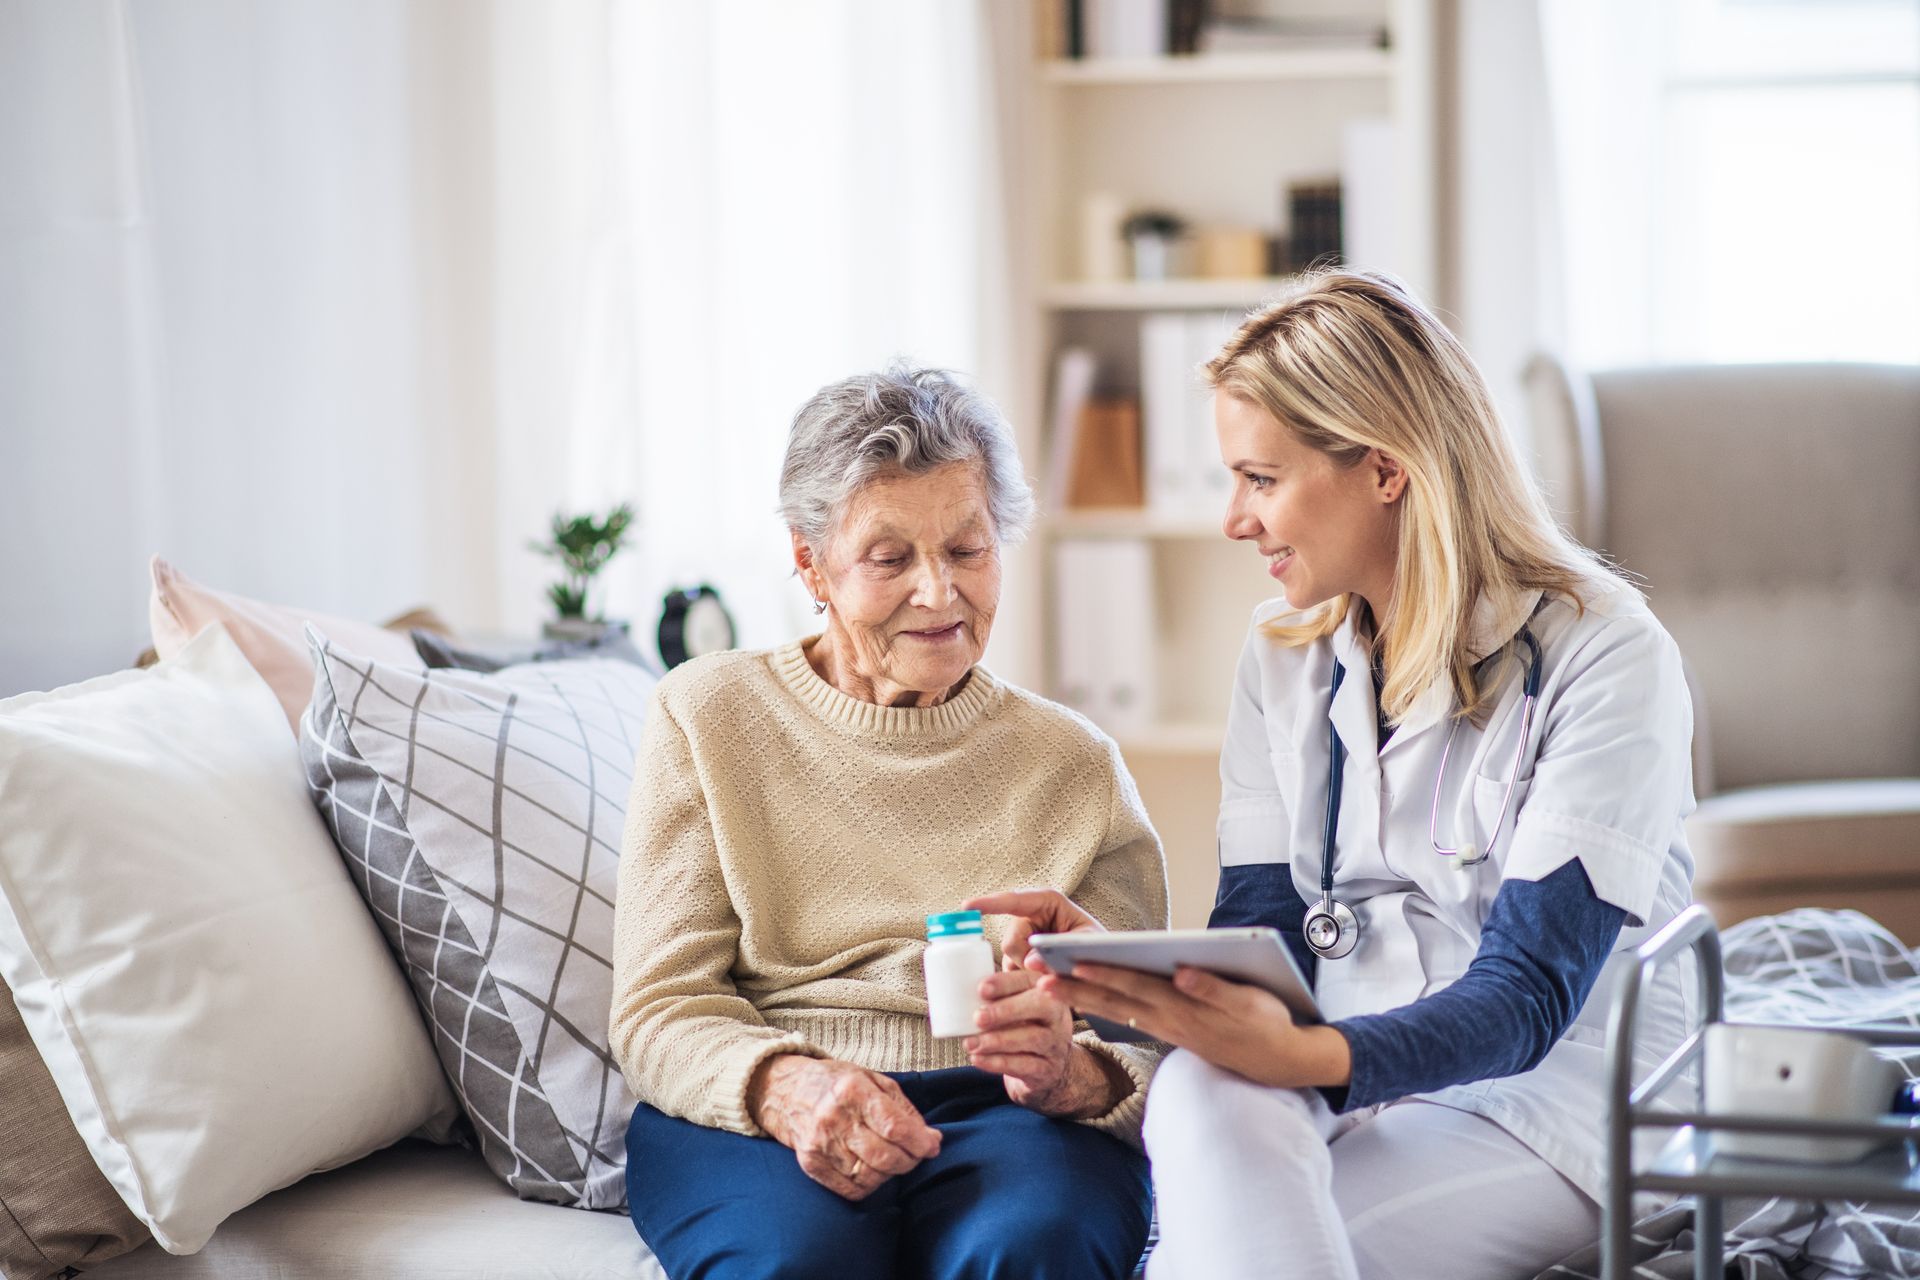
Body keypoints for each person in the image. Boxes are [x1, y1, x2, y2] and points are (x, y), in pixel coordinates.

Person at [1004, 271, 1697, 1280]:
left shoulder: (1604, 653)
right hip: (1350, 1075)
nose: (1235, 520)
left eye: (1260, 478)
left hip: (1552, 1098)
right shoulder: (1283, 649)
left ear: (1384, 468)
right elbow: (1271, 944)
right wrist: (1125, 977)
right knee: (1199, 1091)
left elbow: (1528, 997)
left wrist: (1310, 1058)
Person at [610, 365, 1168, 1280]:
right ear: (809, 564)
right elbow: (660, 1004)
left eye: (967, 549)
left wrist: (1075, 1074)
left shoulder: (1076, 765)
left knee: (1034, 1250)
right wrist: (787, 1087)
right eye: (890, 558)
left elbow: (1149, 1045)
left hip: (1012, 1112)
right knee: (796, 1261)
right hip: (770, 1095)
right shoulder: (706, 716)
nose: (940, 595)